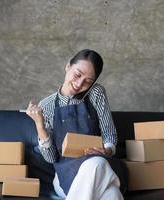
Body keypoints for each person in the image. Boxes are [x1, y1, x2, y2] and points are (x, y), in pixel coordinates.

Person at [26, 49, 125, 200]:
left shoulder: (96, 93)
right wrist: (40, 125)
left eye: (88, 81)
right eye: (77, 75)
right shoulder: (47, 105)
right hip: (65, 175)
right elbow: (51, 158)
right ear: (67, 67)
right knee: (112, 194)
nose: (79, 84)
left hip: (98, 165)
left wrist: (107, 150)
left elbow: (109, 134)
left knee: (96, 163)